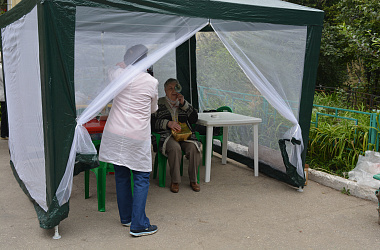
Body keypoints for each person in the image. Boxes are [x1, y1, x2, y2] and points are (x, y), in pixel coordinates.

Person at [99, 44, 158, 237]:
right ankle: (139, 224)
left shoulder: (117, 75)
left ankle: (126, 218)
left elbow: (110, 69)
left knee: (121, 175)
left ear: (126, 60)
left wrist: (121, 66)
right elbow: (153, 109)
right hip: (136, 134)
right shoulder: (151, 82)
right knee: (141, 178)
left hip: (115, 132)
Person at [151, 78, 201, 193]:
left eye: (176, 88)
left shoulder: (183, 103)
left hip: (185, 136)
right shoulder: (158, 103)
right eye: (170, 88)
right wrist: (168, 123)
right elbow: (151, 123)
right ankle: (175, 181)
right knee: (175, 148)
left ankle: (194, 180)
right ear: (165, 90)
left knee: (194, 148)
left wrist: (184, 104)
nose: (173, 91)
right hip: (166, 136)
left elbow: (194, 119)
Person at [0, 59, 8, 140]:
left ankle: (5, 133)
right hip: (4, 95)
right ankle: (3, 133)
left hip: (3, 95)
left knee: (4, 114)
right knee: (5, 114)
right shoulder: (1, 68)